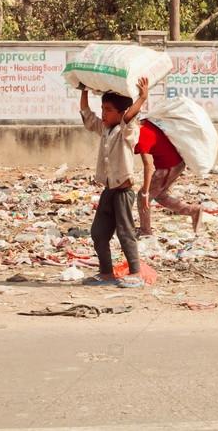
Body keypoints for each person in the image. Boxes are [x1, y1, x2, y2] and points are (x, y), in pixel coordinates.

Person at [79, 77, 149, 288]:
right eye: (103, 108)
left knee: (125, 232)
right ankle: (106, 272)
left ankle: (136, 273)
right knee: (98, 233)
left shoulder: (127, 131)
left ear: (119, 113)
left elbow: (128, 117)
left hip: (123, 192)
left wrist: (142, 98)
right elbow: (87, 116)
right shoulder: (105, 130)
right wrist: (84, 90)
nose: (103, 113)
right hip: (109, 190)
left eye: (108, 110)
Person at [135, 119, 202, 236]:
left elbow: (148, 166)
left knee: (143, 197)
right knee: (160, 196)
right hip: (175, 162)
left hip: (168, 167)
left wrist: (145, 192)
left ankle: (146, 230)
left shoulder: (140, 137)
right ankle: (193, 210)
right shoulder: (146, 123)